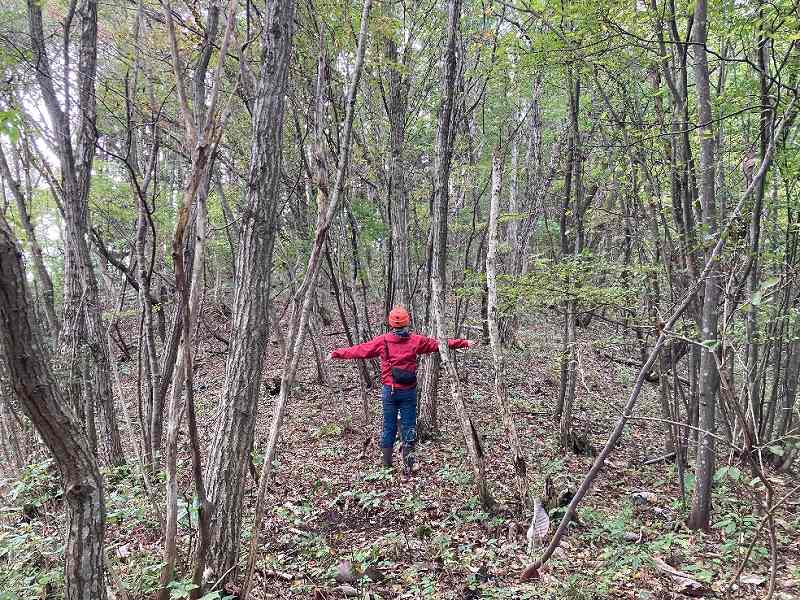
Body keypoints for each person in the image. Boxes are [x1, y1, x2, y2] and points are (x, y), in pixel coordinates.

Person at [326, 306, 476, 475]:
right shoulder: (416, 340)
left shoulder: (382, 341)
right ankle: (409, 467)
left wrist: (336, 353)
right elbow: (438, 344)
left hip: (389, 392)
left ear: (390, 324)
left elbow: (360, 350)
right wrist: (463, 343)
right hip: (408, 392)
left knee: (389, 428)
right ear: (407, 322)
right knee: (408, 427)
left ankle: (386, 468)